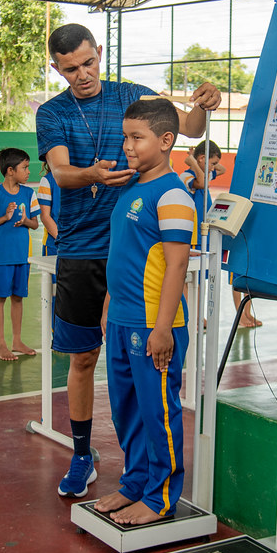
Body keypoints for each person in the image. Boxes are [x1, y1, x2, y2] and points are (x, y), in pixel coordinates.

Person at [35, 23, 220, 498]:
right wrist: (91, 175)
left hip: (137, 249)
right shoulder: (53, 112)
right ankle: (82, 455)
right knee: (84, 359)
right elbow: (60, 172)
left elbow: (188, 127)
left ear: (99, 52)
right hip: (82, 249)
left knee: (148, 376)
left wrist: (203, 104)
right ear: (56, 68)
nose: (83, 75)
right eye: (70, 69)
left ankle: (153, 484)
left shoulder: (132, 94)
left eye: (88, 63)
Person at [93, 98, 195, 524]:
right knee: (126, 410)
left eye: (137, 137)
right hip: (121, 319)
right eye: (126, 137)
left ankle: (161, 497)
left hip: (154, 325)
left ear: (166, 140)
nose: (127, 146)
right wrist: (109, 305)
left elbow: (177, 265)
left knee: (158, 412)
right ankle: (134, 483)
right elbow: (124, 254)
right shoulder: (131, 187)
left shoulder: (172, 195)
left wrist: (163, 328)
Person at [181, 141, 260, 328]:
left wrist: (200, 162)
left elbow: (222, 169)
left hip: (206, 235)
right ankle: (191, 317)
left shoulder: (205, 172)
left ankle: (198, 316)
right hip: (194, 236)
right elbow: (200, 182)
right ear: (202, 159)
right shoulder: (187, 176)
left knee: (201, 280)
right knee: (190, 280)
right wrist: (193, 162)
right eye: (212, 163)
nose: (214, 168)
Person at [0, 148, 40, 361]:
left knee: (18, 298)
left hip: (22, 256)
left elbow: (35, 224)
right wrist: (5, 217)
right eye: (25, 167)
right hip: (0, 257)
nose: (28, 172)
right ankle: (0, 344)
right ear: (10, 170)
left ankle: (17, 340)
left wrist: (25, 221)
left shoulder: (29, 194)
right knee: (0, 298)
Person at [36, 155, 60, 257]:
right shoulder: (47, 180)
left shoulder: (81, 179)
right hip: (54, 246)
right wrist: (62, 240)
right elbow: (45, 216)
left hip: (77, 245)